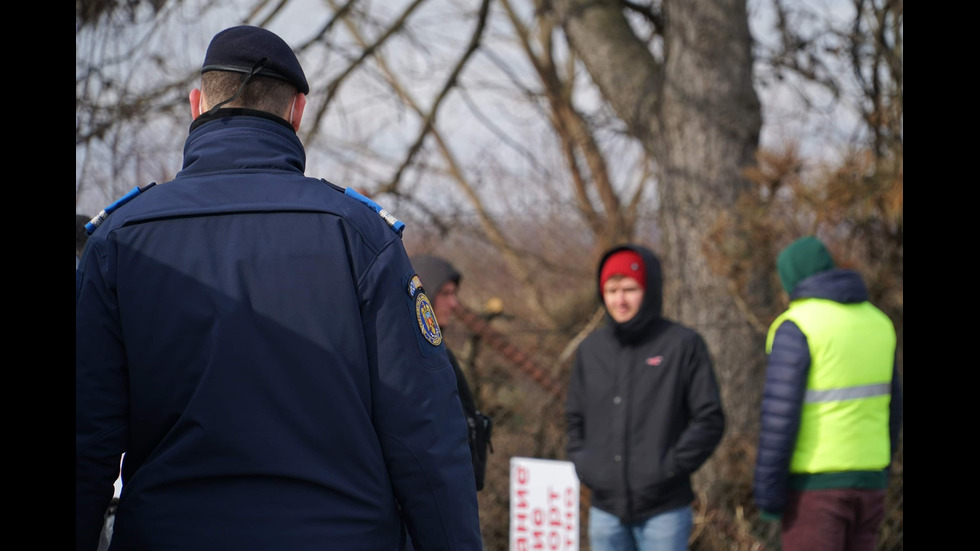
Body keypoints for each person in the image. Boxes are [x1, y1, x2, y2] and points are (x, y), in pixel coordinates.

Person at [75, 25, 482, 551]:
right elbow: (424, 432)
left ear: (196, 104)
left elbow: (87, 441)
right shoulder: (360, 234)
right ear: (297, 111)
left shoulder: (120, 241)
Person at [565, 244, 726, 551]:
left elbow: (710, 419)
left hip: (665, 511)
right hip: (605, 511)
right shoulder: (591, 350)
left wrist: (669, 467)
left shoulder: (683, 345)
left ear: (649, 290)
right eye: (612, 290)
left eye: (630, 289)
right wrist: (587, 466)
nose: (620, 300)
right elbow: (575, 417)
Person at [753, 236, 902, 551]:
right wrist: (881, 470)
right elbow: (894, 409)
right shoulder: (879, 323)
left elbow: (780, 419)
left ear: (791, 279)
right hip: (870, 484)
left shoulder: (797, 326)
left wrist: (770, 495)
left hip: (815, 488)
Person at [410, 254, 493, 492]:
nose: (454, 303)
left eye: (454, 294)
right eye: (445, 293)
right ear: (422, 294)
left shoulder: (439, 353)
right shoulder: (416, 359)